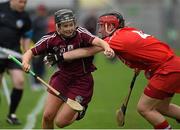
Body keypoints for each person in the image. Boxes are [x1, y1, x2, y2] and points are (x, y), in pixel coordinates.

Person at [43, 11, 180, 129]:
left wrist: (60, 56)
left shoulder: (116, 39)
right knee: (162, 107)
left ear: (111, 26)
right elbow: (145, 49)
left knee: (144, 108)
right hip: (174, 65)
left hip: (166, 70)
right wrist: (142, 65)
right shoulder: (128, 31)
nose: (100, 30)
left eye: (102, 26)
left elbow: (88, 51)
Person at [22, 9, 114, 129]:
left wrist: (107, 48)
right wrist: (25, 62)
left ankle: (81, 110)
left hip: (82, 81)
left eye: (71, 24)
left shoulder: (81, 33)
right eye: (65, 26)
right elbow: (30, 51)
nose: (69, 28)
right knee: (47, 116)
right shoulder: (50, 39)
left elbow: (98, 41)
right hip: (62, 78)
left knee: (60, 122)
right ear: (58, 27)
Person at [0, 0, 32, 125]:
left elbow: (26, 36)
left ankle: (11, 114)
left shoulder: (25, 16)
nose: (23, 5)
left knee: (19, 81)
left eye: (25, 2)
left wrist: (26, 53)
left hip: (14, 53)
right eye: (20, 2)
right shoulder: (1, 8)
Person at [31, 4, 48, 91]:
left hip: (44, 46)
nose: (42, 12)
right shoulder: (35, 20)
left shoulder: (44, 20)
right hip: (36, 45)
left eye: (43, 10)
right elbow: (30, 33)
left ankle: (40, 82)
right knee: (35, 65)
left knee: (42, 64)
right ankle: (35, 83)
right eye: (41, 10)